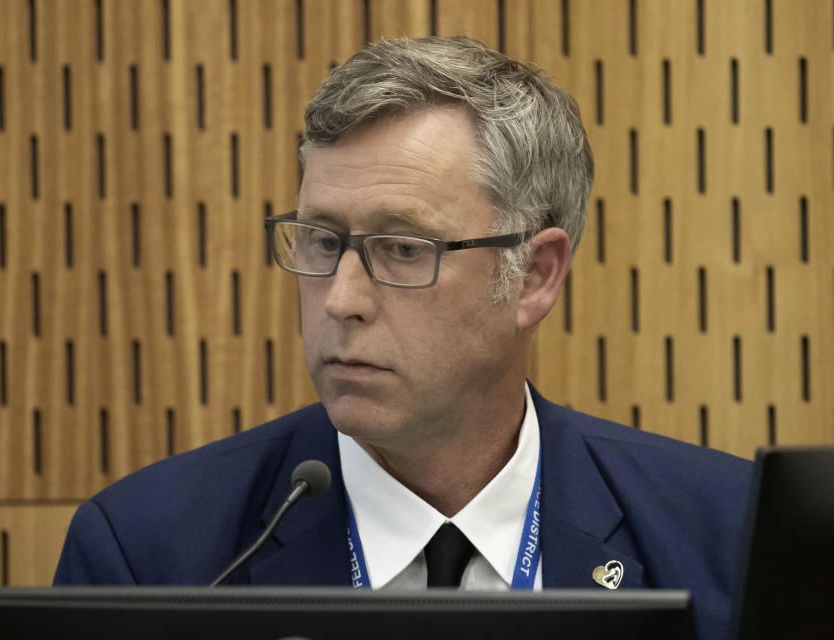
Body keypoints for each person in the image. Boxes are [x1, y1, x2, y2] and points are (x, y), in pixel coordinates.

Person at [54, 36, 751, 640]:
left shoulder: (726, 539)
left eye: (403, 249)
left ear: (535, 277)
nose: (342, 298)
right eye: (324, 241)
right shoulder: (150, 557)